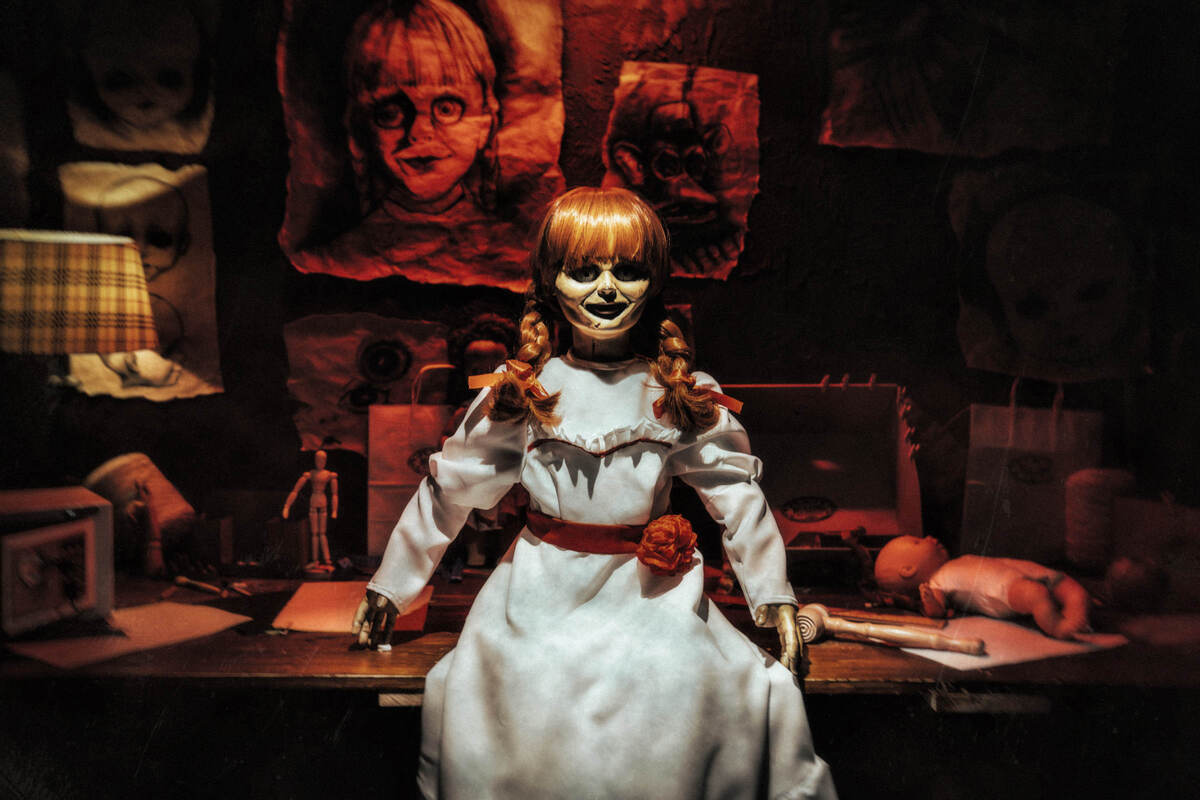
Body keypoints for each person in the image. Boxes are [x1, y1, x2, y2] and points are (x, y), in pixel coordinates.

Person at [352, 187, 835, 799]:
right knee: (506, 684)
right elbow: (450, 489)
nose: (607, 289)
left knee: (697, 684)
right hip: (539, 589)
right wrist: (392, 585)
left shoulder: (675, 391)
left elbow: (735, 492)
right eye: (584, 272)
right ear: (550, 282)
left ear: (653, 281)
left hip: (650, 593)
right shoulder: (524, 391)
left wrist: (772, 596)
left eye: (627, 271)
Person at [873, 535, 1092, 640]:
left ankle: (1076, 612)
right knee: (1037, 594)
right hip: (1004, 589)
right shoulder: (935, 582)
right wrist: (929, 599)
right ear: (908, 570)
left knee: (1066, 585)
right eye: (917, 542)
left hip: (1014, 570)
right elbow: (936, 611)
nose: (929, 537)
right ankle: (1058, 626)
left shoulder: (954, 563)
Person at [282, 449, 339, 569]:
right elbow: (296, 490)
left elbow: (335, 494)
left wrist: (334, 510)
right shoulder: (310, 474)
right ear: (315, 460)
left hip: (322, 501)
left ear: (325, 461)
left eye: (322, 460)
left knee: (322, 533)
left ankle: (327, 559)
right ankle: (315, 560)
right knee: (314, 533)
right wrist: (287, 506)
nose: (320, 462)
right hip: (314, 501)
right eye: (318, 459)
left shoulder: (329, 475)